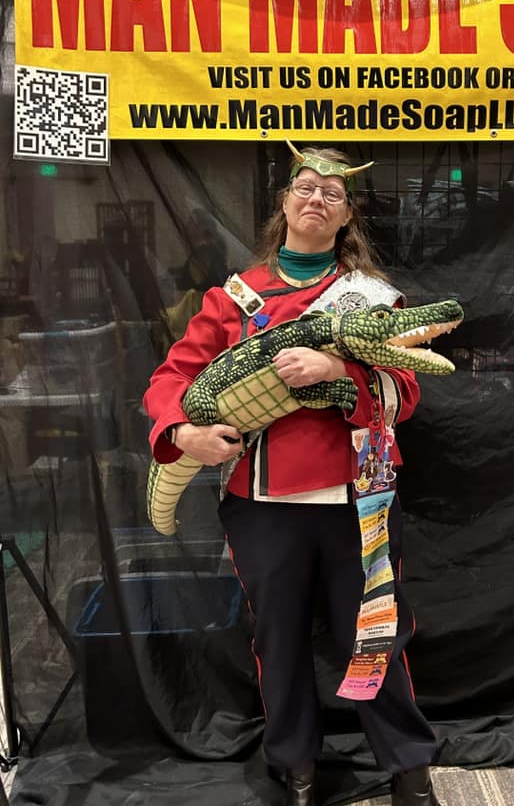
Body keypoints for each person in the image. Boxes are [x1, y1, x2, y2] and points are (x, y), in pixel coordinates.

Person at [143, 143, 443, 806]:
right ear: (283, 202)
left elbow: (406, 392)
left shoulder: (373, 298)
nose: (317, 199)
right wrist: (184, 433)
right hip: (264, 504)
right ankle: (295, 765)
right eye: (305, 187)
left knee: (374, 636)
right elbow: (170, 380)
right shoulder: (233, 298)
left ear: (346, 216)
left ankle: (408, 768)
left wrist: (340, 371)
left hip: (360, 497)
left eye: (332, 193)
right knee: (277, 640)